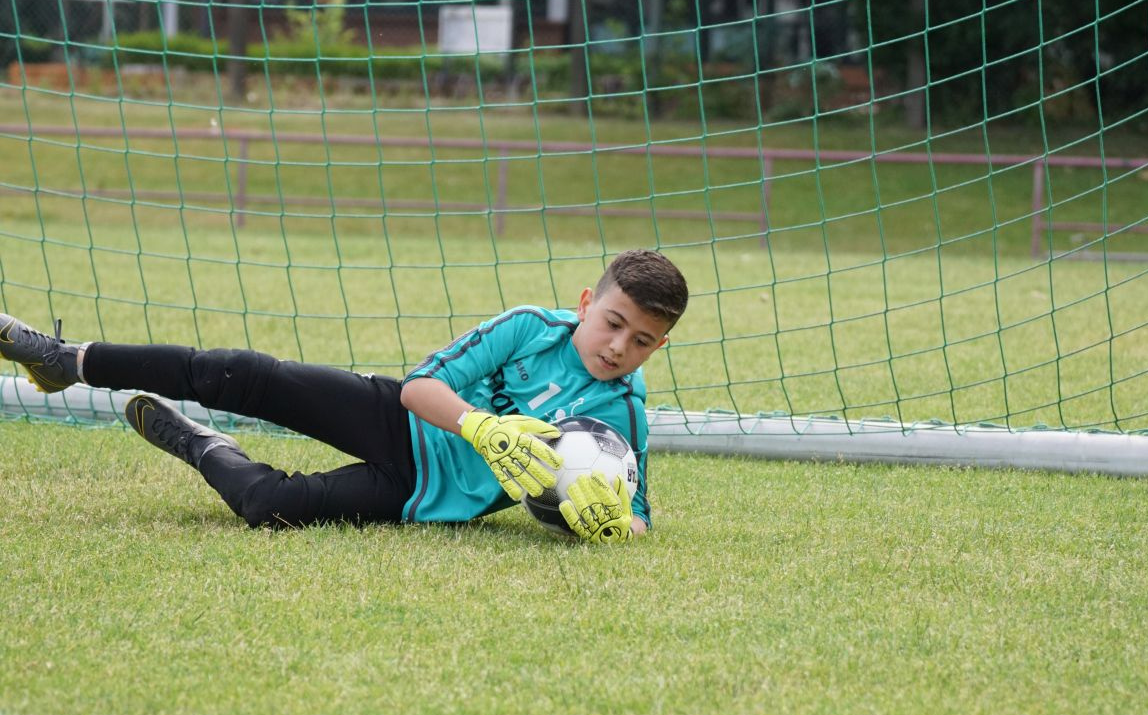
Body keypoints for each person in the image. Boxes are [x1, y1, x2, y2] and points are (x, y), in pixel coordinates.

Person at [0, 249, 689, 543]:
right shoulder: (530, 327)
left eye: (641, 340)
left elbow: (638, 515)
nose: (618, 347)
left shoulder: (622, 413)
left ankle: (201, 443)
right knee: (240, 373)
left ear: (657, 347)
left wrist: (608, 525)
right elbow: (420, 387)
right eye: (612, 323)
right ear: (586, 303)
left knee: (269, 508)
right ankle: (67, 360)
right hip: (396, 420)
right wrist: (483, 427)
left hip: (423, 497)